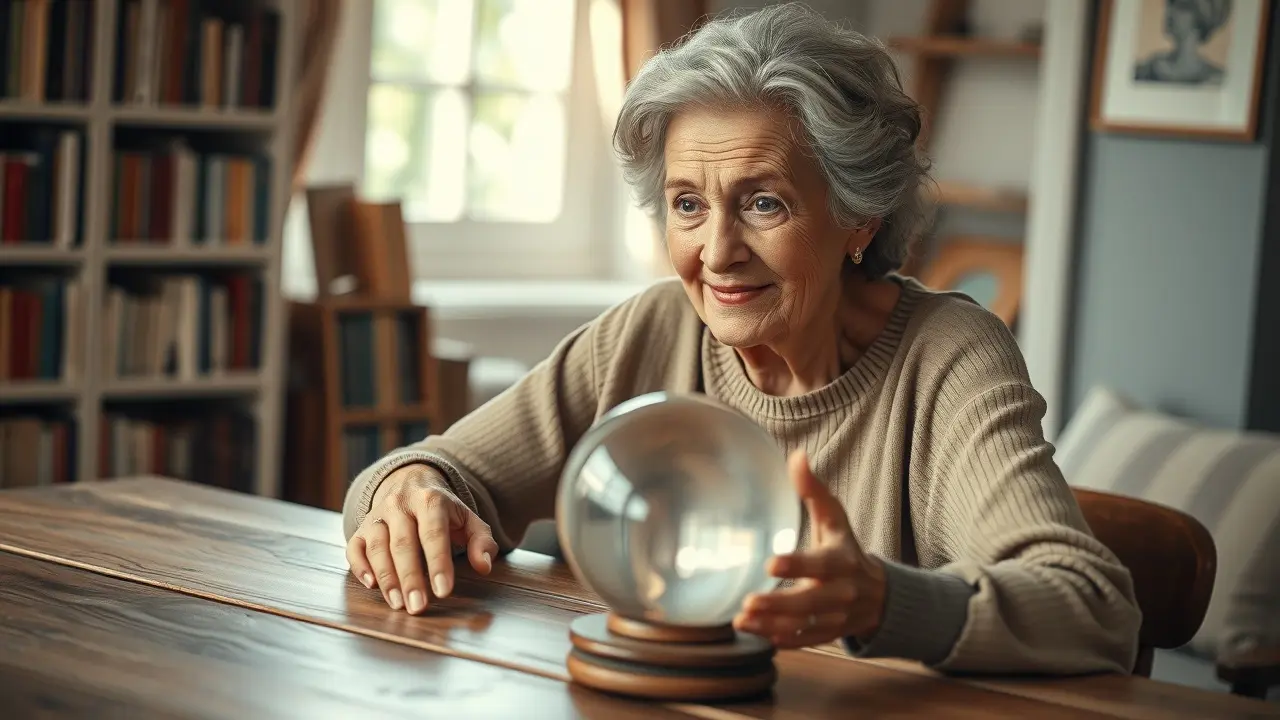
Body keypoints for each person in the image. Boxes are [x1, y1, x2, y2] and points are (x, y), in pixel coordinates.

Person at [342, 3, 1141, 675]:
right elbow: (429, 468)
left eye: (763, 204)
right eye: (687, 204)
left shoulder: (946, 357)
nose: (715, 251)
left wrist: (880, 600)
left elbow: (1093, 608)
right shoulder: (654, 328)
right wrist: (407, 496)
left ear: (859, 216)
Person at [1134, 0, 1232, 85]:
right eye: (1170, 4)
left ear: (1200, 16)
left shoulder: (1215, 79)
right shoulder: (1146, 71)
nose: (1170, 12)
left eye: (1182, 6)